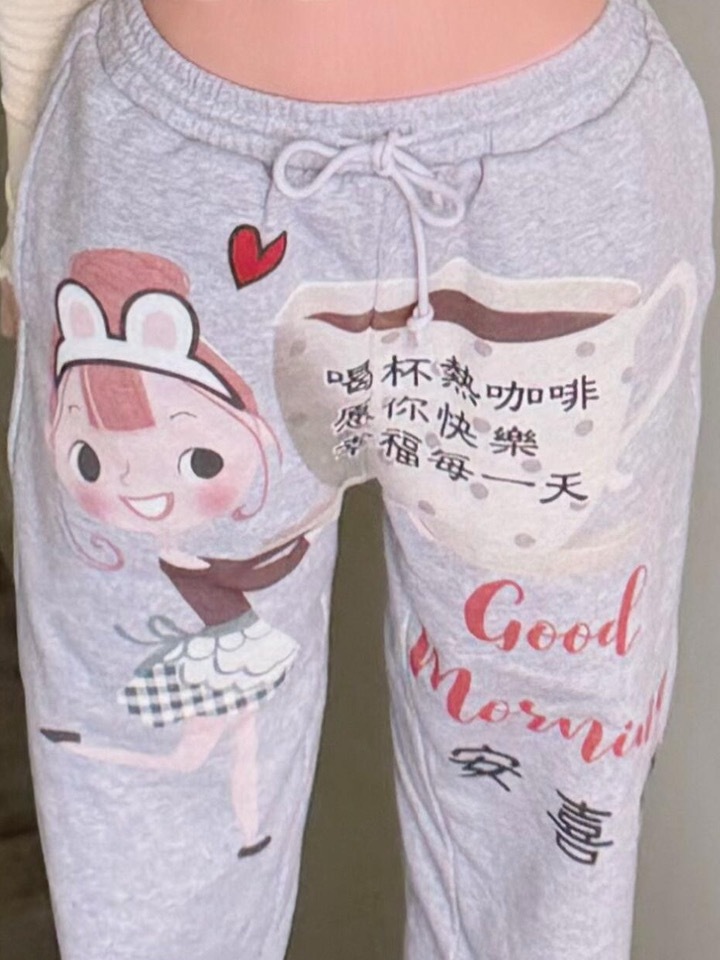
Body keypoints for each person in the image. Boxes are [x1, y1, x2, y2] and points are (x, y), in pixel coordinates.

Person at [0, 1, 715, 958]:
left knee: (544, 796)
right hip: (171, 192)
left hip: (560, 190)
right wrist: (33, 178)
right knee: (150, 790)